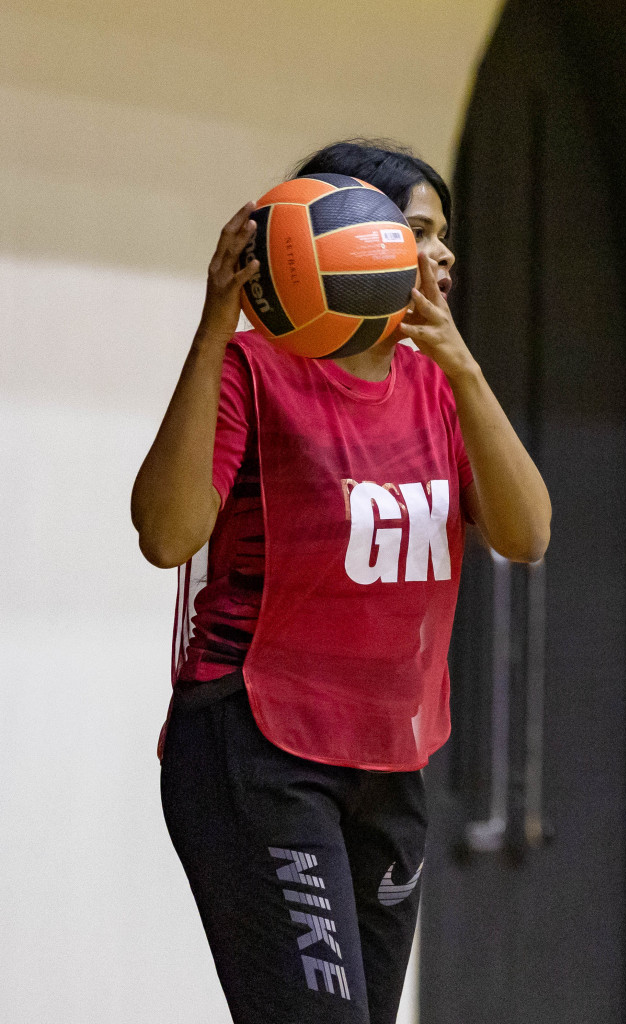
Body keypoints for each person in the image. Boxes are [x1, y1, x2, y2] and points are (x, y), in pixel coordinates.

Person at [130, 139, 550, 1024]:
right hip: (260, 749)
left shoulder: (437, 384)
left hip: (392, 759)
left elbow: (527, 532)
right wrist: (215, 329)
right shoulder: (253, 370)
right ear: (347, 241)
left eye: (445, 236)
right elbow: (167, 536)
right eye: (418, 230)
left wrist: (464, 365)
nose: (442, 254)